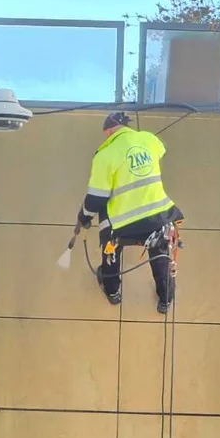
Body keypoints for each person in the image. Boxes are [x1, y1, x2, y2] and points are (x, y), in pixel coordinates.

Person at [76, 112, 183, 313]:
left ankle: (113, 291)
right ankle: (166, 298)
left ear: (108, 131)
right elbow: (161, 149)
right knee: (159, 251)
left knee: (110, 249)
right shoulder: (149, 139)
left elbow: (96, 198)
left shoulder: (104, 155)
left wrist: (84, 217)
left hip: (123, 224)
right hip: (156, 216)